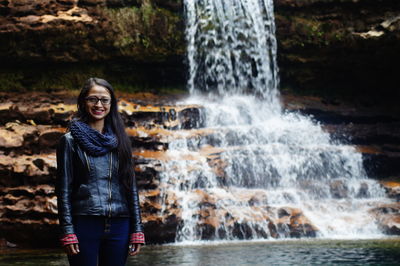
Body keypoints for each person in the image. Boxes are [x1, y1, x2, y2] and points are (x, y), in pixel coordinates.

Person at [56, 77, 145, 266]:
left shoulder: (121, 141)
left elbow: (131, 187)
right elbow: (63, 190)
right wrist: (67, 230)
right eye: (92, 99)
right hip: (85, 223)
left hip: (120, 224)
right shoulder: (70, 141)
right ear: (82, 102)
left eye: (104, 100)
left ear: (111, 104)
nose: (99, 105)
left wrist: (137, 228)